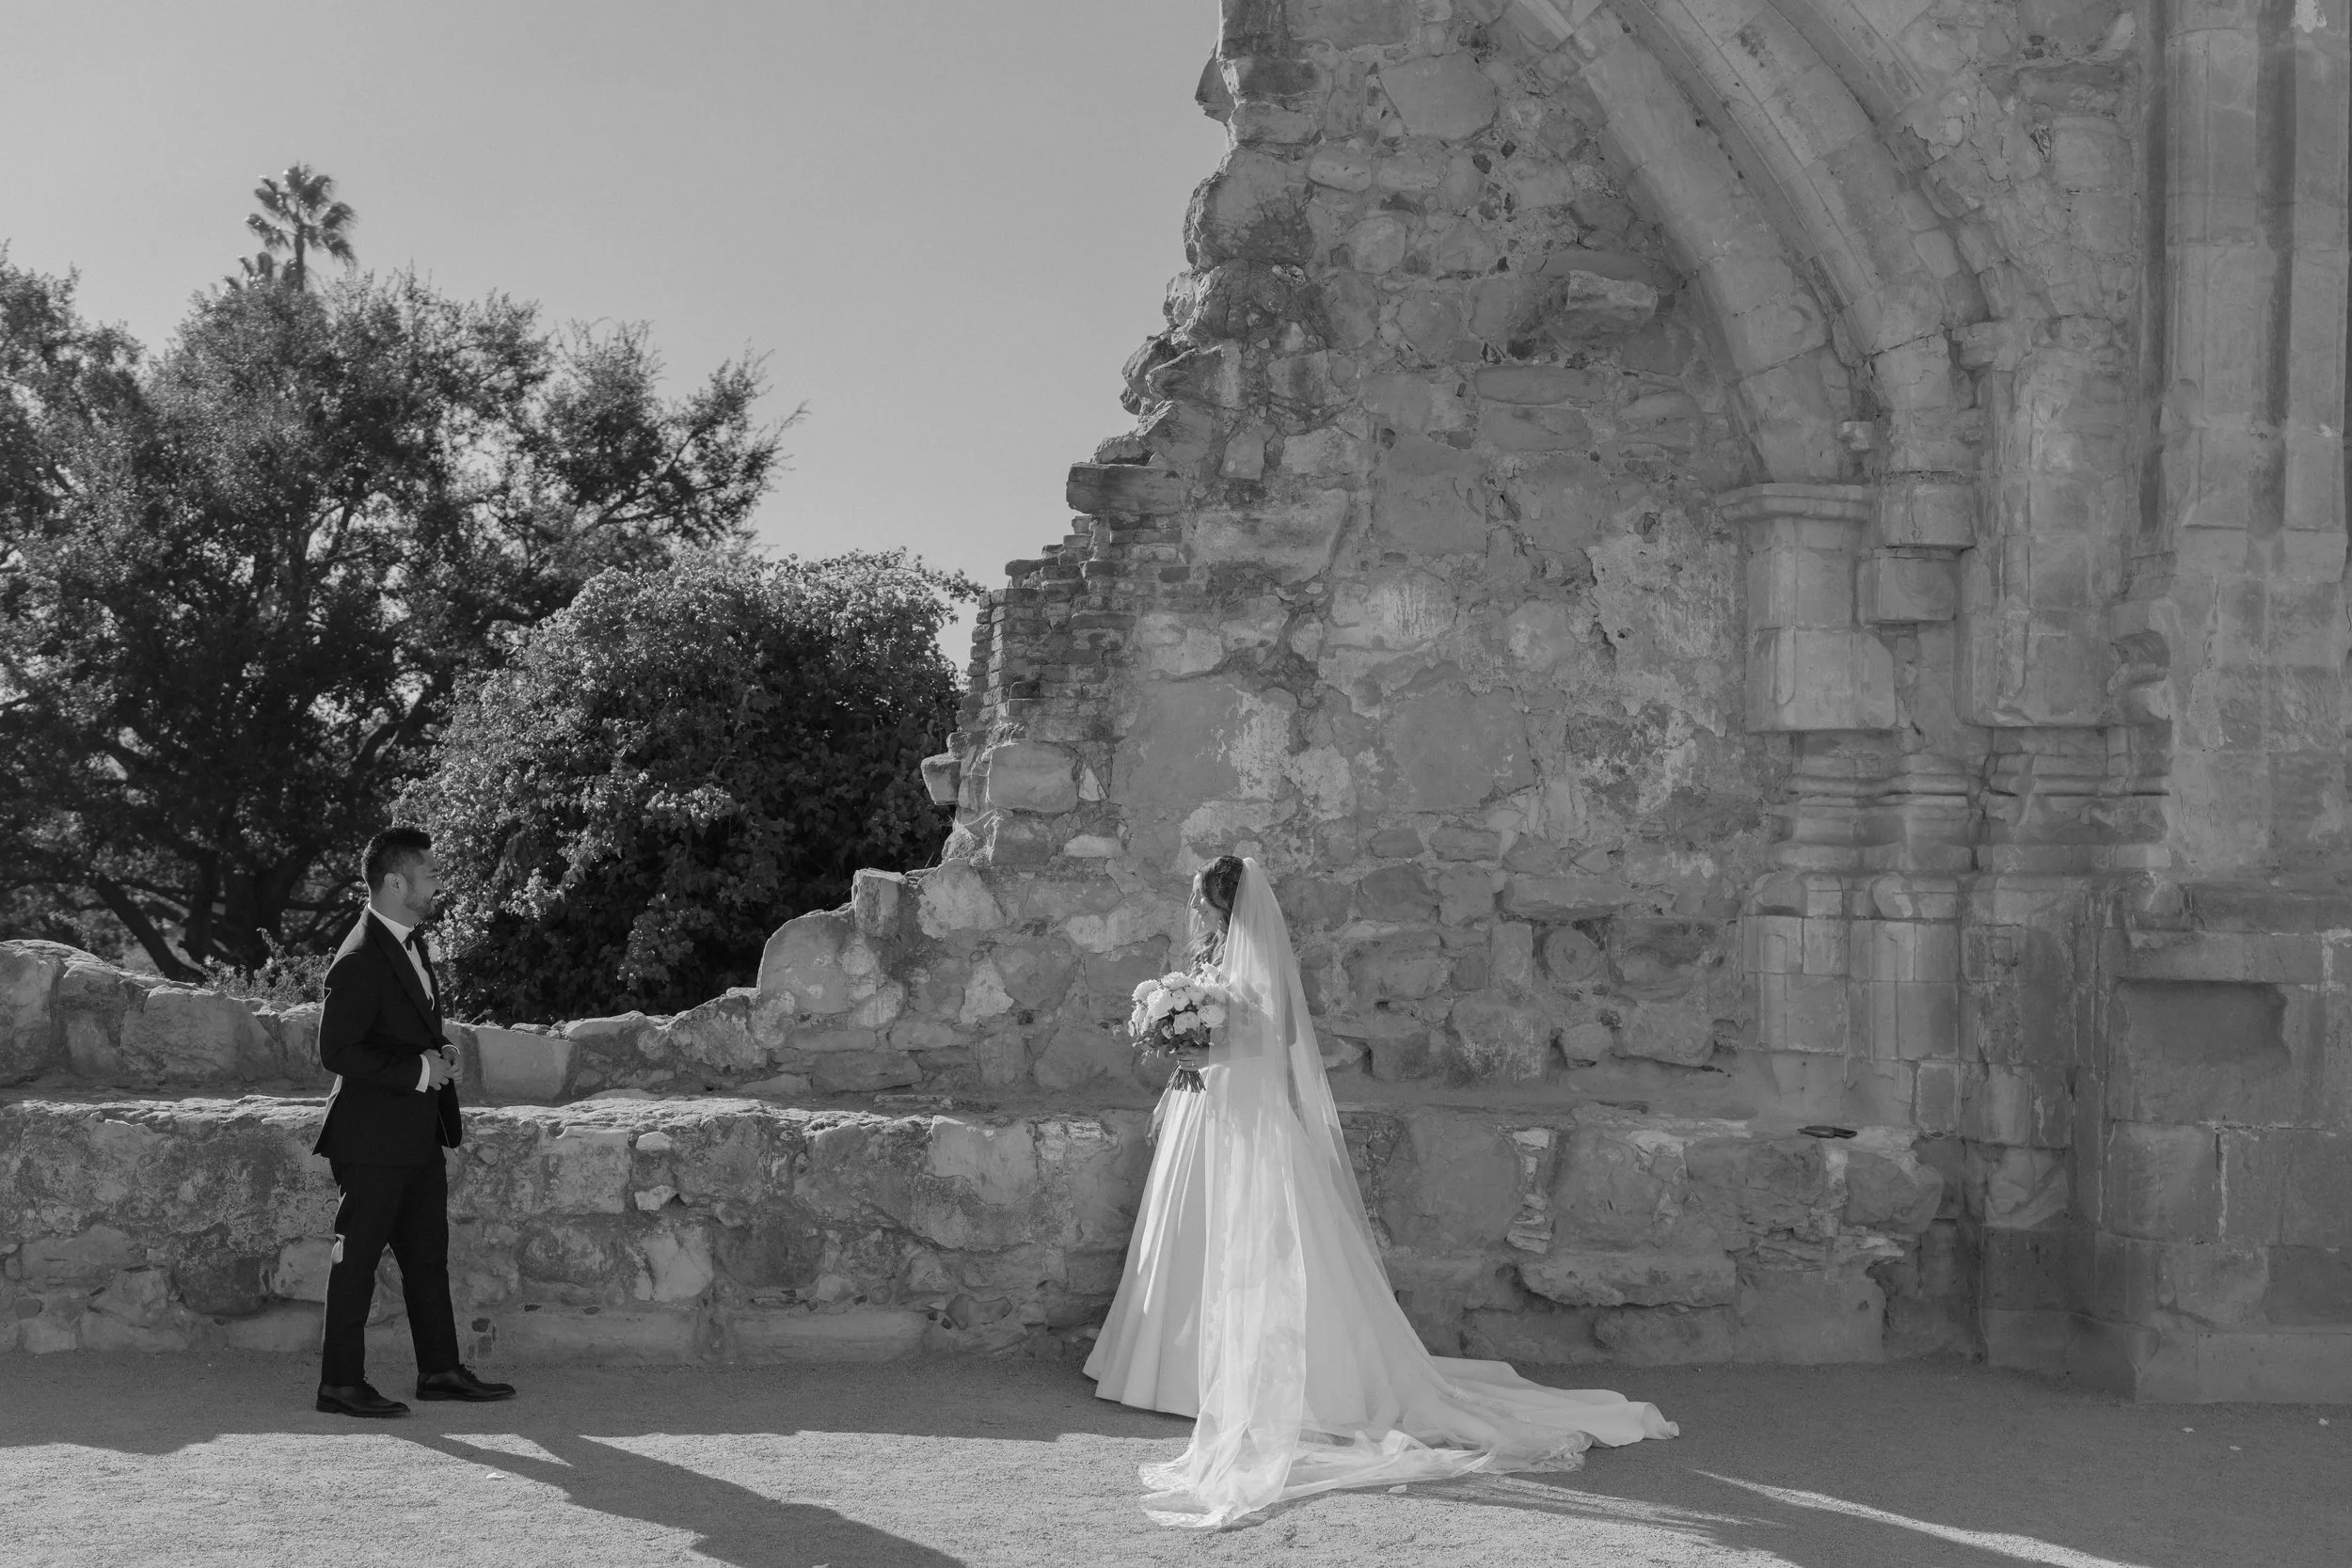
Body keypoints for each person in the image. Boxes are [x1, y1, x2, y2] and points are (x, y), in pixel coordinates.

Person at [1085, 854, 1676, 1528]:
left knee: (1263, 1245)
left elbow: (1275, 1044)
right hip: (1207, 1109)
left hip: (1246, 1114)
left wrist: (1207, 1047)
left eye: (1206, 902)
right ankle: (1173, 1369)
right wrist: (1178, 1039)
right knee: (1191, 1235)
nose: (1200, 912)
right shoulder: (1211, 953)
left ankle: (1248, 1378)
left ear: (1229, 902)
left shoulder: (1264, 956)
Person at [310, 826, 515, 1417]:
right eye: (430, 874)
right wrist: (416, 1071)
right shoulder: (357, 957)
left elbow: (400, 1028)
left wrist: (436, 1051)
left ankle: (441, 1371)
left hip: (415, 1133)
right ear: (396, 882)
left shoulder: (408, 940)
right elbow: (337, 1051)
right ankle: (340, 1385)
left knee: (428, 1256)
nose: (438, 883)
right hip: (372, 1138)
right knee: (356, 1261)